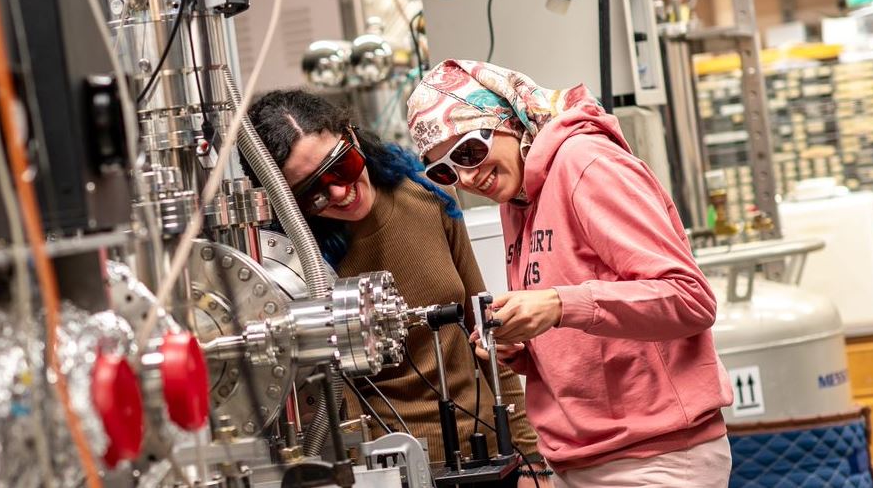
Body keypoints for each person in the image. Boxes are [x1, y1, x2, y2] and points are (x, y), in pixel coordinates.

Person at [406, 59, 733, 487]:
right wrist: (519, 346)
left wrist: (560, 304)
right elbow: (578, 327)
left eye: (469, 151)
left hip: (655, 457)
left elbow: (689, 298)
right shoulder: (517, 197)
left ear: (506, 121)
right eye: (444, 171)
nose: (466, 176)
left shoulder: (586, 164)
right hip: (578, 459)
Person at [244, 90, 548, 487]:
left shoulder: (426, 195)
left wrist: (531, 459)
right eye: (312, 192)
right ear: (285, 204)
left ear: (352, 137)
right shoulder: (296, 268)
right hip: (396, 472)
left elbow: (489, 336)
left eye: (341, 166)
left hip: (492, 454)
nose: (339, 192)